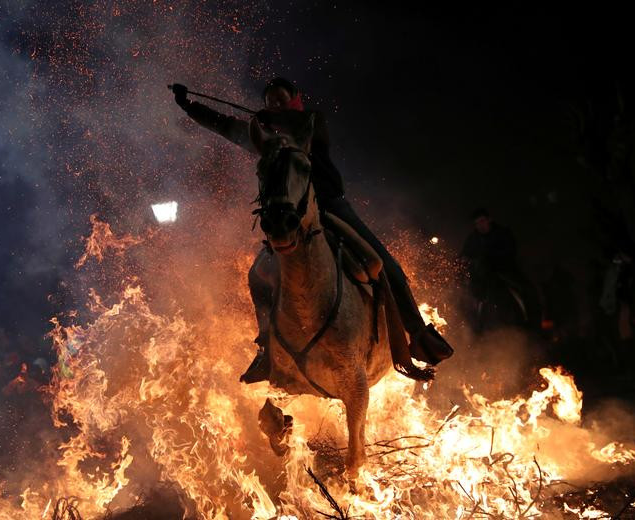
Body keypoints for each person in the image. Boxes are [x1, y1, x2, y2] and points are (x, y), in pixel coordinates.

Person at [171, 78, 452, 383]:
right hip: (293, 218)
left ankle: (418, 336)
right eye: (270, 101)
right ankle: (266, 349)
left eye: (281, 99)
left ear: (294, 99)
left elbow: (298, 123)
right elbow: (226, 125)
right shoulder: (267, 139)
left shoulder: (311, 123)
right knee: (257, 276)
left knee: (386, 265)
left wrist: (272, 118)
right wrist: (189, 106)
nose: (275, 104)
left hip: (332, 208)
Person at [460, 208, 539, 332]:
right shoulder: (473, 239)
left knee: (528, 291)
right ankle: (474, 329)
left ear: (489, 220)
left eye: (482, 221)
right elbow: (464, 255)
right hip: (483, 275)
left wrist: (492, 258)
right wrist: (464, 261)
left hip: (505, 270)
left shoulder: (502, 233)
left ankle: (534, 325)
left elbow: (510, 251)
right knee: (468, 297)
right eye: (477, 223)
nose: (480, 225)